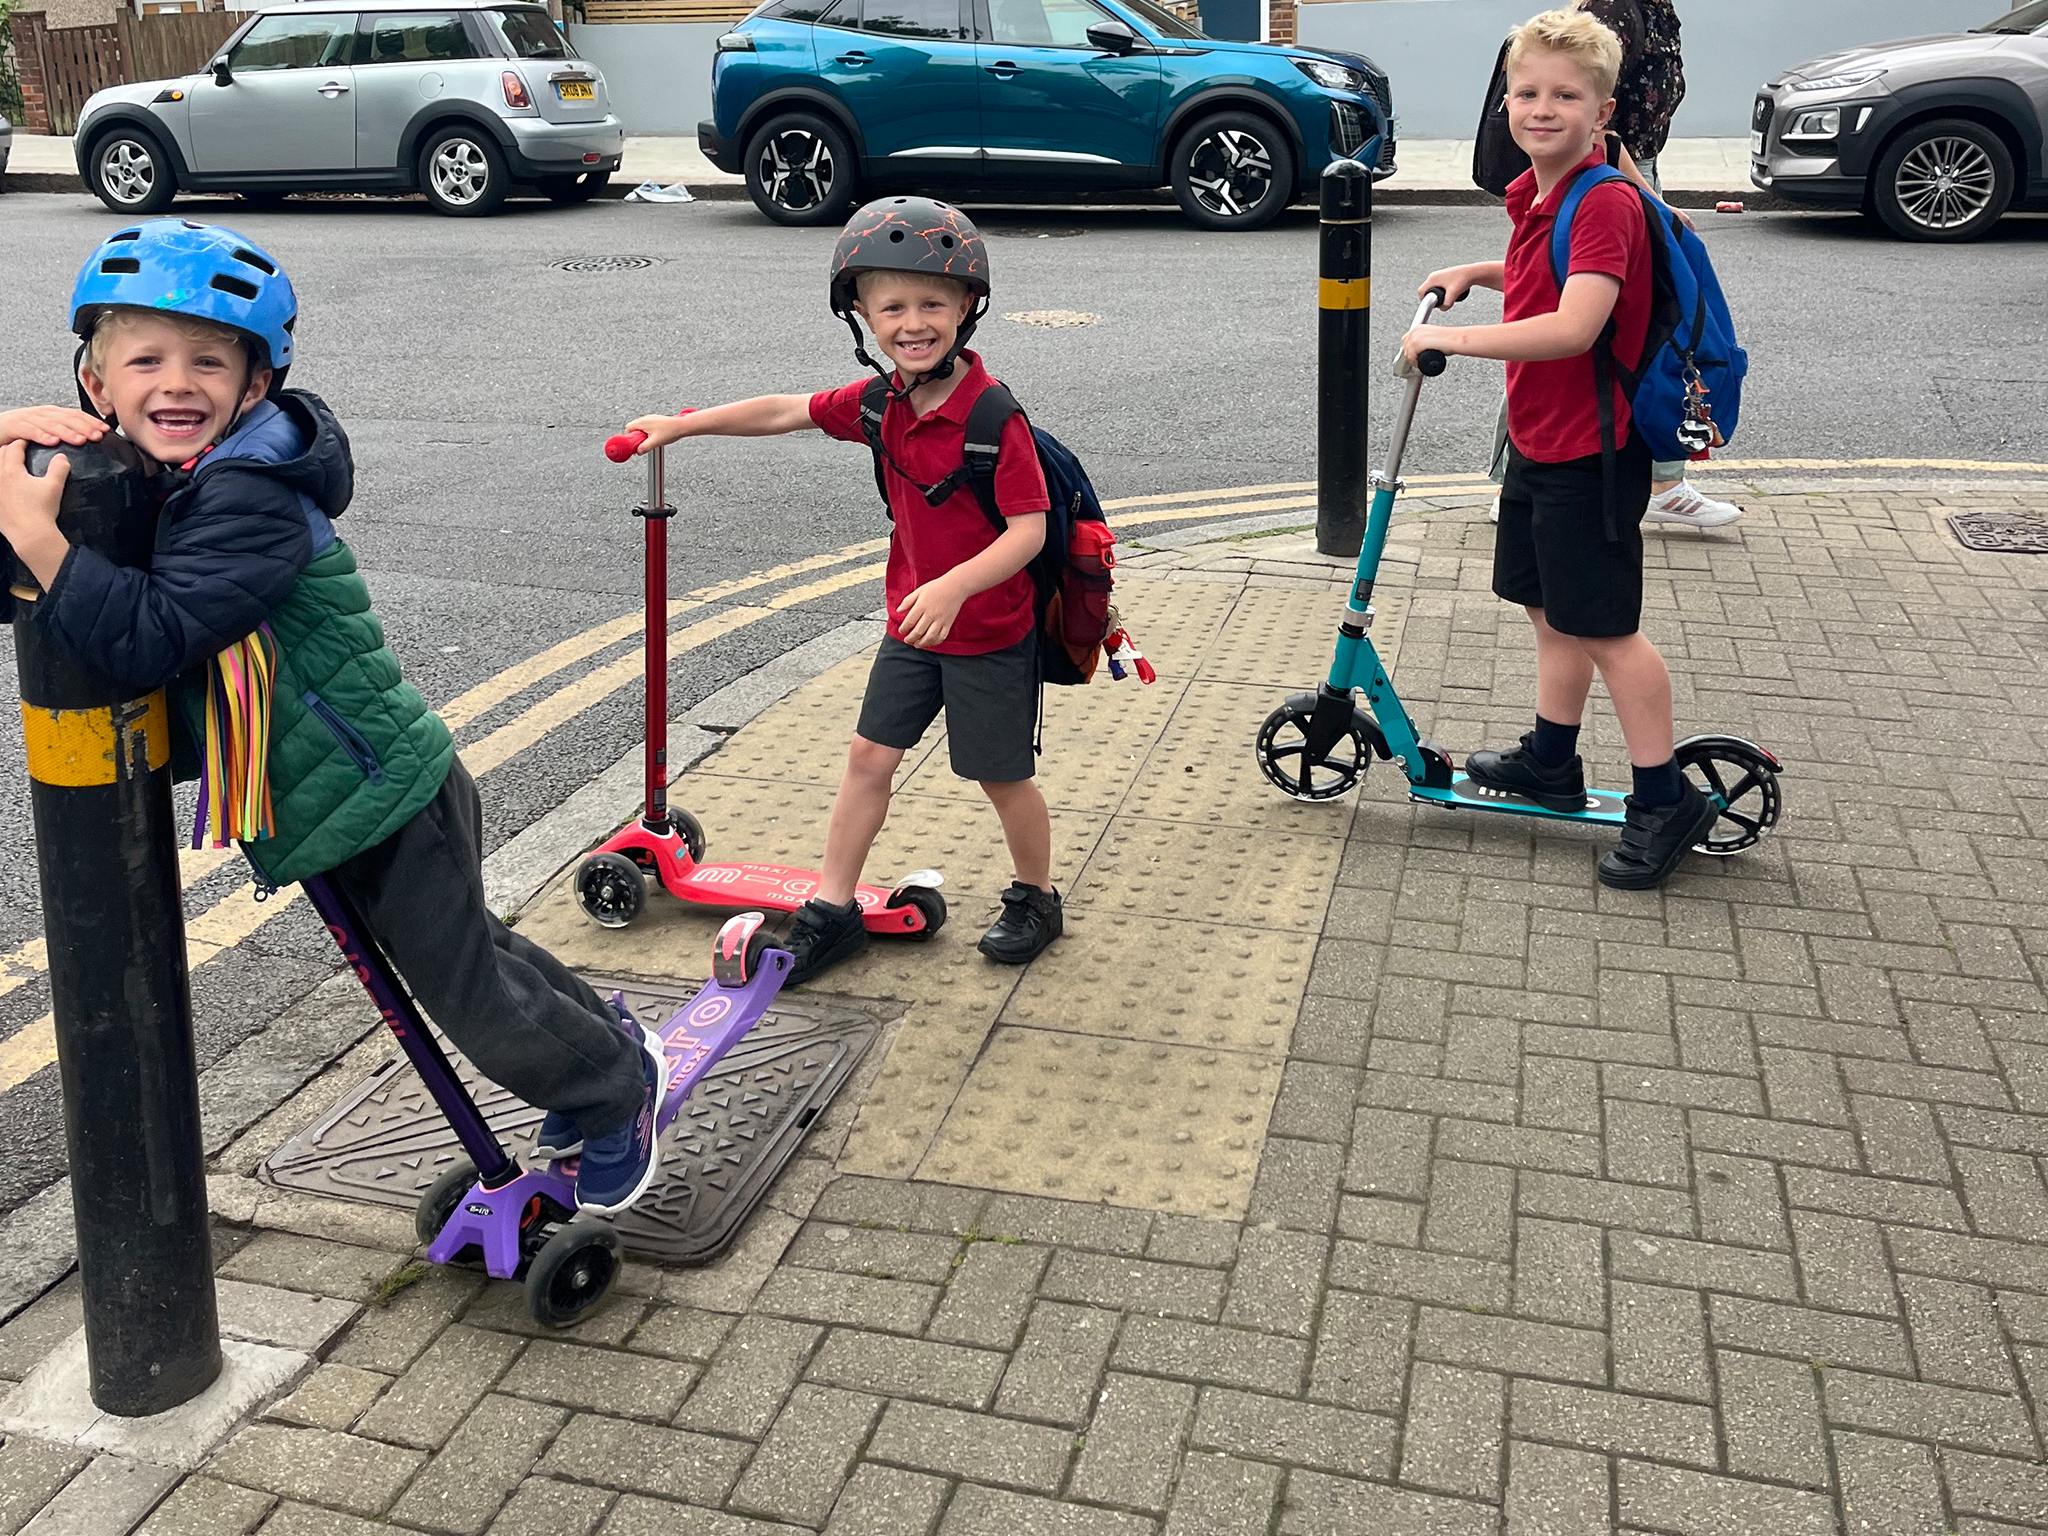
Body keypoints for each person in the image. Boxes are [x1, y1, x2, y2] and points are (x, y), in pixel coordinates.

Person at [0, 220, 665, 1216]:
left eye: (208, 363)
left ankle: (613, 1095)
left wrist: (40, 546)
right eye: (144, 360)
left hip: (381, 790)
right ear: (97, 386)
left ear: (253, 386)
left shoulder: (247, 495)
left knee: (467, 993)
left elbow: (151, 635)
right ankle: (613, 1048)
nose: (175, 384)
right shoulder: (172, 474)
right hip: (340, 788)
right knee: (471, 955)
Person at [624, 197, 1061, 984]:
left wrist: (956, 587)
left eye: (932, 302)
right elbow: (786, 410)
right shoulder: (879, 403)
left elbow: (1027, 532)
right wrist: (684, 425)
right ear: (861, 314)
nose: (913, 322)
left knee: (1000, 776)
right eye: (891, 306)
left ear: (967, 308)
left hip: (989, 630)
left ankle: (1037, 895)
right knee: (867, 758)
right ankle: (832, 909)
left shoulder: (994, 419)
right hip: (912, 628)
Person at [1402, 7, 1719, 890]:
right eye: (1527, 92)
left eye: (1565, 96)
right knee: (1551, 612)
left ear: (1603, 111)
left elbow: (1579, 323)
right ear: (1506, 100)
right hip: (1542, 441)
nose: (1542, 108)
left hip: (1594, 449)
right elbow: (1553, 274)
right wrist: (1477, 272)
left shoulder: (1605, 198)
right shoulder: (1542, 192)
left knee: (1608, 630)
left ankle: (1665, 800)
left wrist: (1450, 343)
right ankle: (1552, 760)